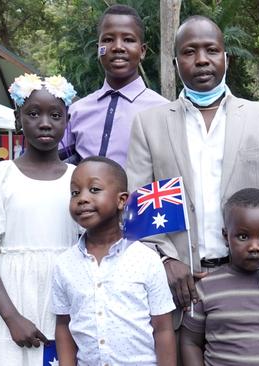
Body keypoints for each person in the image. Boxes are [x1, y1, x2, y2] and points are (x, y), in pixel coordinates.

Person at [126, 15, 259, 327]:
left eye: (211, 50)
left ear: (226, 57)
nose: (202, 60)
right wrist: (165, 260)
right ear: (175, 61)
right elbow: (138, 207)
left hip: (252, 284)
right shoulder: (148, 124)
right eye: (190, 51)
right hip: (181, 290)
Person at [0, 74, 81, 366]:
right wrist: (12, 317)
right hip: (13, 297)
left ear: (66, 121)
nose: (44, 122)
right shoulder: (1, 176)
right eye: (33, 114)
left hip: (66, 297)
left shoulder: (77, 178)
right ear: (19, 119)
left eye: (55, 115)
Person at [52, 156, 176, 365]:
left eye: (94, 189)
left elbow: (163, 329)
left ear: (121, 200)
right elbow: (64, 325)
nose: (82, 198)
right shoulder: (64, 264)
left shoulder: (146, 260)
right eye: (75, 192)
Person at [180, 188, 259, 366]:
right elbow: (190, 342)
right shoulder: (206, 288)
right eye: (243, 236)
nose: (254, 246)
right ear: (226, 237)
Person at [59, 4, 168, 167]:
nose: (117, 47)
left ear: (143, 50)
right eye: (108, 40)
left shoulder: (163, 111)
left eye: (129, 40)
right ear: (98, 49)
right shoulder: (76, 111)